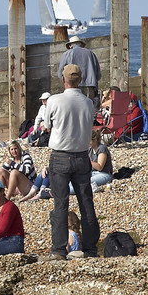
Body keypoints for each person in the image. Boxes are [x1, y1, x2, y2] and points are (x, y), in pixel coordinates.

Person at [43, 64, 100, 260]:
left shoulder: (54, 100)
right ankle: (91, 249)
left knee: (61, 203)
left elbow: (48, 126)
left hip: (60, 155)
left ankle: (58, 249)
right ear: (81, 79)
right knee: (86, 203)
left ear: (63, 79)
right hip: (82, 155)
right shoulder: (88, 103)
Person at [57, 35, 101, 102]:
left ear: (70, 45)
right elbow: (98, 75)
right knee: (88, 107)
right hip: (90, 86)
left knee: (74, 107)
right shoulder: (90, 53)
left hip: (72, 86)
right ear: (81, 44)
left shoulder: (66, 54)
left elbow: (60, 73)